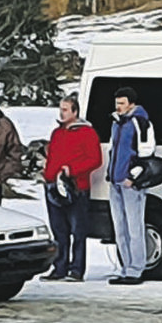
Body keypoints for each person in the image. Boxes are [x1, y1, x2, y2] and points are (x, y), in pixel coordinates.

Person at [40, 96, 102, 283]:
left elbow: (95, 160)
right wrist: (47, 173)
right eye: (61, 109)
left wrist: (72, 170)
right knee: (59, 230)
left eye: (66, 109)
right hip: (53, 186)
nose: (62, 113)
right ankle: (59, 267)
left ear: (75, 112)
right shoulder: (57, 133)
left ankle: (77, 269)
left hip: (76, 187)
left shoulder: (87, 133)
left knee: (78, 231)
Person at [107, 86, 155, 286]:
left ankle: (136, 269)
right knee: (120, 227)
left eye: (122, 103)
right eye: (117, 103)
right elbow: (112, 149)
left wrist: (133, 177)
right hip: (115, 181)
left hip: (129, 182)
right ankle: (126, 267)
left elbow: (146, 152)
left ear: (131, 104)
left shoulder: (140, 123)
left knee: (134, 227)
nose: (118, 107)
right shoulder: (117, 123)